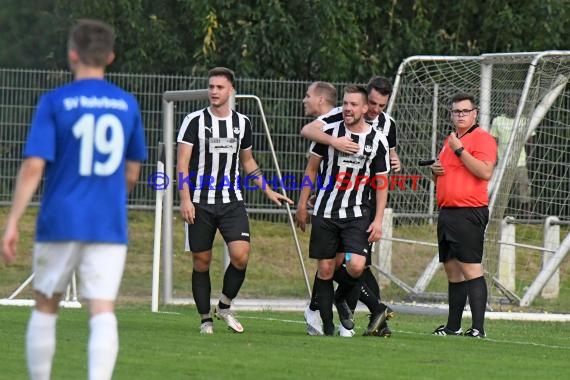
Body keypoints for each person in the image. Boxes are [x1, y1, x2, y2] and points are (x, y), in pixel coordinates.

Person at [1, 19, 147, 380]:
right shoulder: (127, 105)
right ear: (110, 57)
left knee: (47, 304)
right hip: (107, 223)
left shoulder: (56, 102)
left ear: (72, 54)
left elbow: (34, 166)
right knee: (101, 309)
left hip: (60, 220)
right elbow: (132, 172)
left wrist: (12, 222)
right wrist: (111, 197)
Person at [177, 67, 292, 334]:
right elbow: (181, 164)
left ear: (231, 90)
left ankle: (225, 306)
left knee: (240, 256)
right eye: (211, 87)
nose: (214, 92)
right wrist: (185, 199)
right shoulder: (194, 121)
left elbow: (248, 161)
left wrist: (268, 190)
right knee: (201, 262)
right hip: (199, 201)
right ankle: (205, 319)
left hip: (231, 200)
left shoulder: (242, 123)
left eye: (219, 87)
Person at [301, 76, 398, 337]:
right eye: (346, 103)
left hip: (359, 209)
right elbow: (309, 142)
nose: (376, 109)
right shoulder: (332, 124)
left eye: (380, 105)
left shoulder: (382, 132)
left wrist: (378, 219)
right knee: (328, 267)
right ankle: (329, 318)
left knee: (357, 265)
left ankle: (352, 307)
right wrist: (302, 204)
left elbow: (384, 174)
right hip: (327, 207)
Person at [430, 92, 497, 338]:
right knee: (452, 270)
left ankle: (478, 328)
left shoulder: (482, 138)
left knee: (471, 268)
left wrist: (459, 151)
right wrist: (435, 171)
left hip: (469, 211)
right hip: (447, 212)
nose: (460, 115)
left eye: (465, 111)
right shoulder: (450, 140)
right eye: (456, 111)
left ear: (475, 113)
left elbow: (484, 171)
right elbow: (445, 174)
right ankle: (453, 326)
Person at [490, 94, 533, 217]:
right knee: (500, 191)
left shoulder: (524, 121)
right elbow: (493, 142)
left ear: (518, 106)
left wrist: (528, 158)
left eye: (512, 104)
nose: (508, 106)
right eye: (507, 104)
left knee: (524, 189)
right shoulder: (497, 120)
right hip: (502, 164)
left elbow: (530, 142)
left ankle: (526, 217)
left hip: (520, 163)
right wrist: (494, 160)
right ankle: (497, 216)